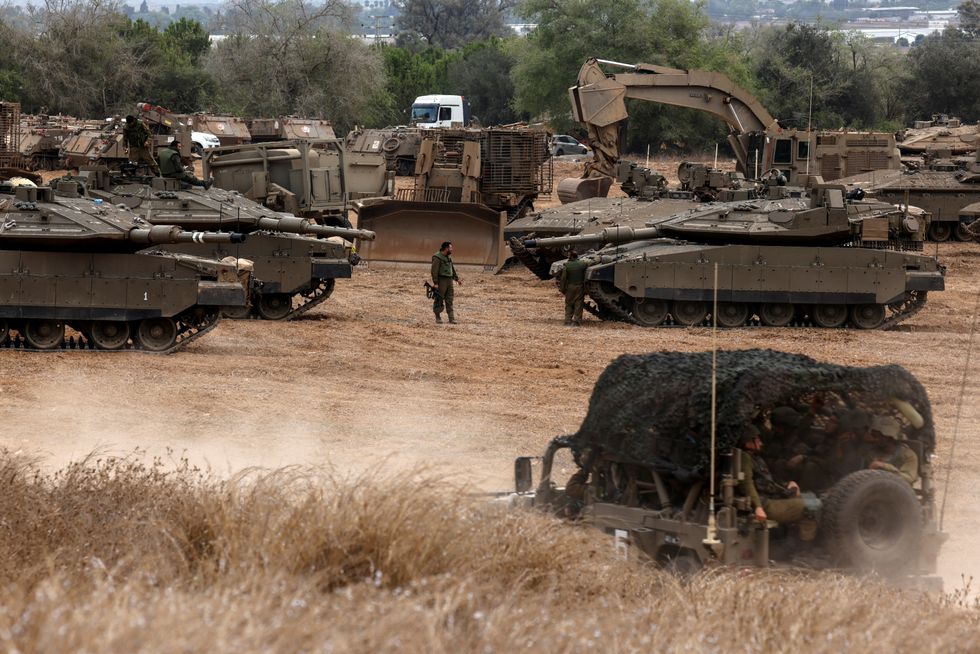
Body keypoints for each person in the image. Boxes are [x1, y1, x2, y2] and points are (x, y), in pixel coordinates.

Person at [737, 425, 819, 533]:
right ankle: (804, 545)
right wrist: (758, 507)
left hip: (770, 498)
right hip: (765, 504)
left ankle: (795, 540)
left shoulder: (755, 458)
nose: (760, 443)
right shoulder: (744, 458)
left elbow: (767, 480)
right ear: (748, 442)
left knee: (812, 499)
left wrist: (787, 485)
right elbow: (747, 484)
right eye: (757, 440)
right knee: (812, 506)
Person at [866, 416, 919, 484]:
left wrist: (884, 466)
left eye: (879, 436)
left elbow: (909, 479)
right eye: (874, 436)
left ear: (889, 437)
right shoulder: (873, 452)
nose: (876, 439)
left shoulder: (907, 455)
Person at [430, 241, 461, 324]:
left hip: (449, 280)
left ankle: (451, 318)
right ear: (446, 248)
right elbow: (434, 271)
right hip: (441, 280)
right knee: (439, 298)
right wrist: (436, 283)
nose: (452, 249)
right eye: (451, 248)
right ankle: (438, 316)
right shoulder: (437, 257)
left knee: (449, 299)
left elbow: (452, 268)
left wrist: (456, 279)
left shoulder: (448, 257)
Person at [559, 250, 588, 326]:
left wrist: (562, 288)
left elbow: (563, 279)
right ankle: (577, 322)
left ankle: (567, 321)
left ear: (571, 256)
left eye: (569, 255)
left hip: (570, 287)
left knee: (569, 303)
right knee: (578, 303)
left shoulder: (567, 265)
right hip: (579, 286)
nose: (568, 257)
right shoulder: (582, 264)